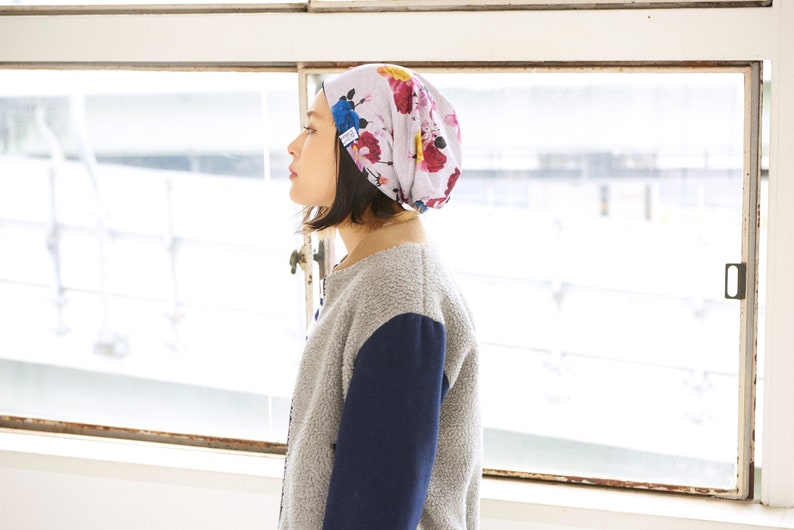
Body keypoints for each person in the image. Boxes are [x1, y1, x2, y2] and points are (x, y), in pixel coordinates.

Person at [279, 64, 481, 530]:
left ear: (364, 152)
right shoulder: (379, 278)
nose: (293, 145)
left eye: (312, 129)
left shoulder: (402, 302)